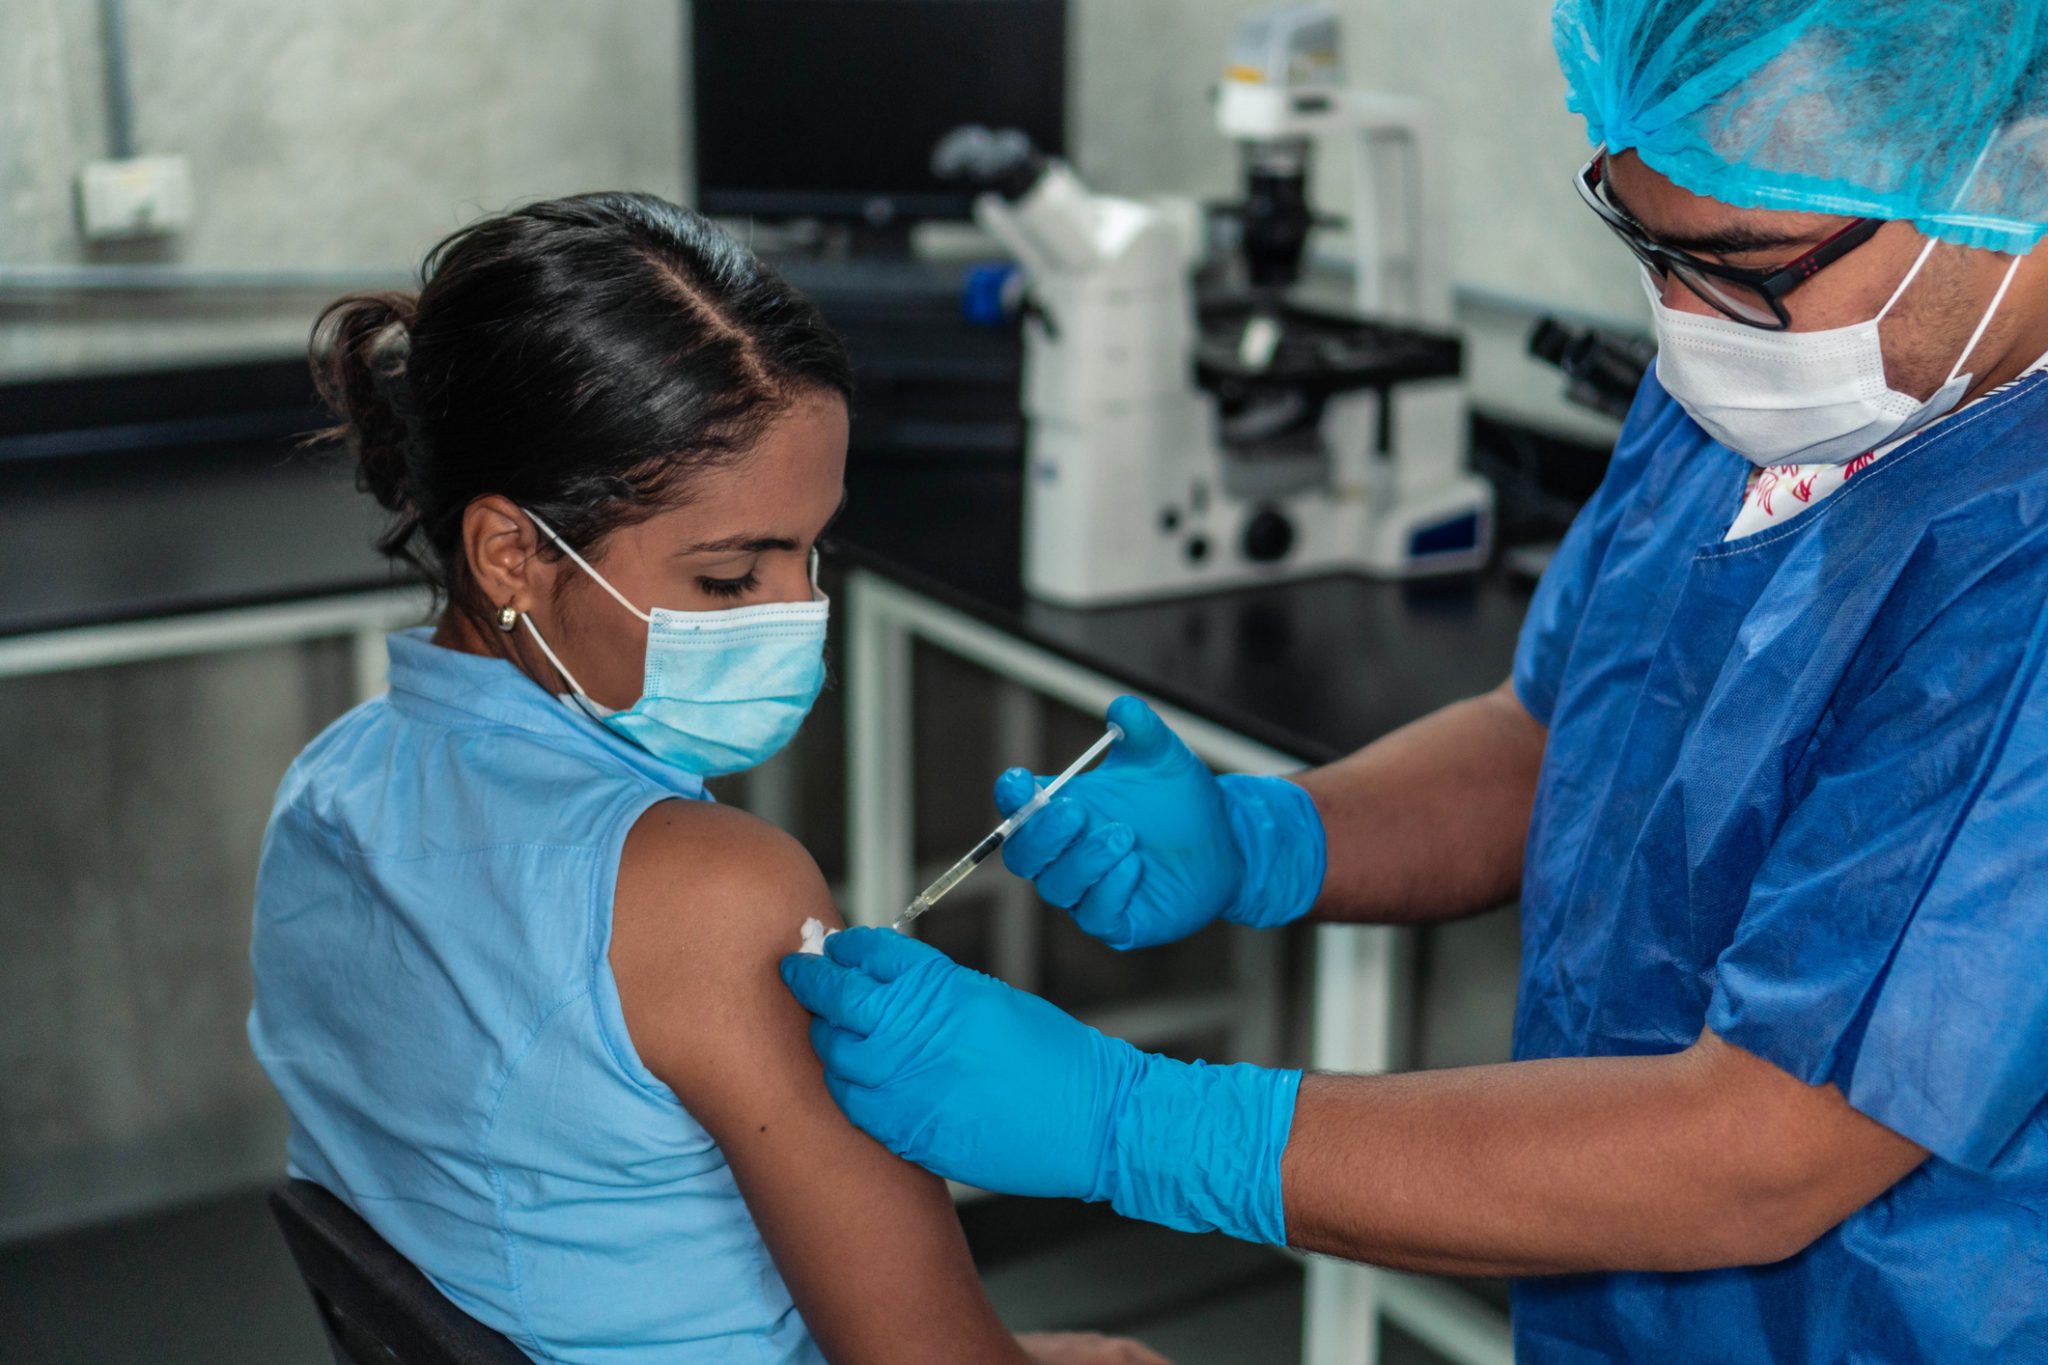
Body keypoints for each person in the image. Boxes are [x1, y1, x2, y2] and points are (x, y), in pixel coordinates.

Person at [780, 3, 2048, 1359]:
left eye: (1741, 264)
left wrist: (1131, 1123)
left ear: (2011, 173)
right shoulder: (1762, 391)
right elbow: (1557, 735)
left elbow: (1757, 1149)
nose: (1684, 317)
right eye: (1645, 243)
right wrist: (1278, 834)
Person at [247, 193, 1166, 1365]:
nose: (800, 616)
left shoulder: (328, 790)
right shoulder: (711, 890)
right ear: (513, 554)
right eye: (731, 578)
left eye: (810, 550)